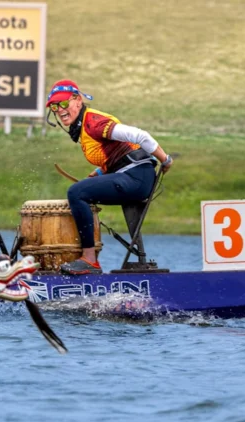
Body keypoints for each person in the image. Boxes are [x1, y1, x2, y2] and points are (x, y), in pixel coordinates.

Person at [45, 79, 174, 275]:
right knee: (81, 190)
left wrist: (166, 160)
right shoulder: (84, 125)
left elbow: (141, 136)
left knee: (76, 193)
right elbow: (116, 155)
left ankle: (89, 260)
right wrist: (99, 172)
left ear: (78, 100)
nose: (59, 110)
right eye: (54, 106)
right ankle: (98, 260)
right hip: (130, 174)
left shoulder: (93, 122)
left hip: (137, 177)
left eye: (63, 103)